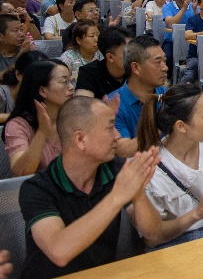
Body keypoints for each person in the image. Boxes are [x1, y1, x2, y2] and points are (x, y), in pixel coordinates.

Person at [19, 96, 162, 278]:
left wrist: (138, 193)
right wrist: (117, 197)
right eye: (110, 128)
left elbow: (153, 234)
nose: (117, 136)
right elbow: (59, 252)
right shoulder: (37, 188)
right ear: (80, 139)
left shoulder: (115, 169)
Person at [136, 84, 203, 249]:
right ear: (180, 126)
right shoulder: (152, 166)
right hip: (171, 246)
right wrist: (197, 214)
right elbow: (153, 238)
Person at [3, 60, 72, 176]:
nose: (71, 87)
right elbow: (22, 173)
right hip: (34, 187)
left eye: (71, 81)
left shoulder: (72, 119)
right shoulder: (18, 125)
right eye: (64, 82)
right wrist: (42, 131)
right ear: (42, 90)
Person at [108, 36, 168, 157]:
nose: (165, 68)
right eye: (158, 62)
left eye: (165, 61)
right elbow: (123, 149)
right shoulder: (114, 104)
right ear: (135, 68)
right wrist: (163, 124)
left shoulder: (167, 95)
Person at [75, 26, 130, 99]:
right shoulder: (89, 72)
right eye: (128, 52)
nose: (134, 55)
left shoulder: (137, 70)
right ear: (110, 57)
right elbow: (83, 104)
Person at [0, 50, 49, 124]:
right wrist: (20, 117)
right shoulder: (2, 93)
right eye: (32, 76)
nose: (38, 81)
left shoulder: (42, 94)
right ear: (18, 75)